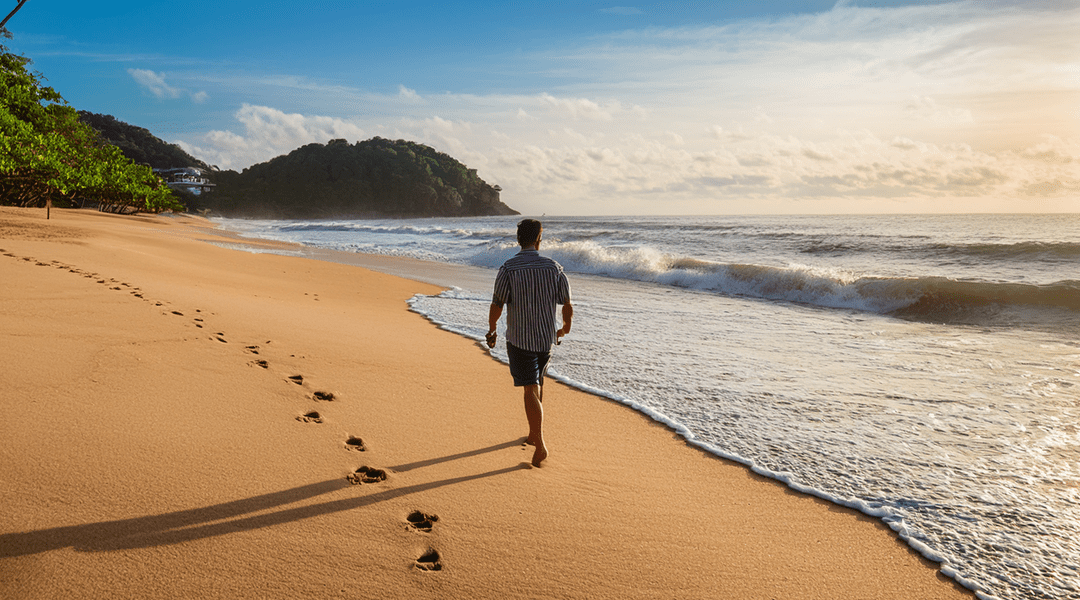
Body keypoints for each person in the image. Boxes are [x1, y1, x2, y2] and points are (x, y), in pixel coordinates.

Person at [487, 219, 573, 467]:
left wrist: (492, 329)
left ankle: (541, 444)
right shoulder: (554, 268)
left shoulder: (508, 268)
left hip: (520, 338)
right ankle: (533, 434)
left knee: (529, 388)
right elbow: (567, 304)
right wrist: (565, 329)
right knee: (538, 384)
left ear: (518, 239)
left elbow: (497, 303)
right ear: (539, 239)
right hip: (546, 338)